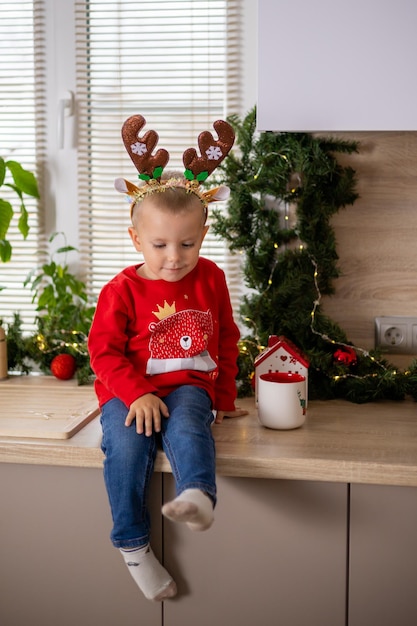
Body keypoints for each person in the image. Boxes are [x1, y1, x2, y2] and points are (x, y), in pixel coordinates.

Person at [88, 115, 247, 602]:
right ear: (137, 240)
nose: (174, 257)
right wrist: (136, 394)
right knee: (127, 446)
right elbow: (103, 352)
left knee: (189, 427)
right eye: (160, 245)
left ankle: (198, 496)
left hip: (189, 385)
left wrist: (222, 396)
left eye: (188, 243)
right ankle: (132, 545)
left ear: (203, 234)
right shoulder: (122, 288)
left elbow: (224, 338)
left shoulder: (212, 279)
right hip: (128, 388)